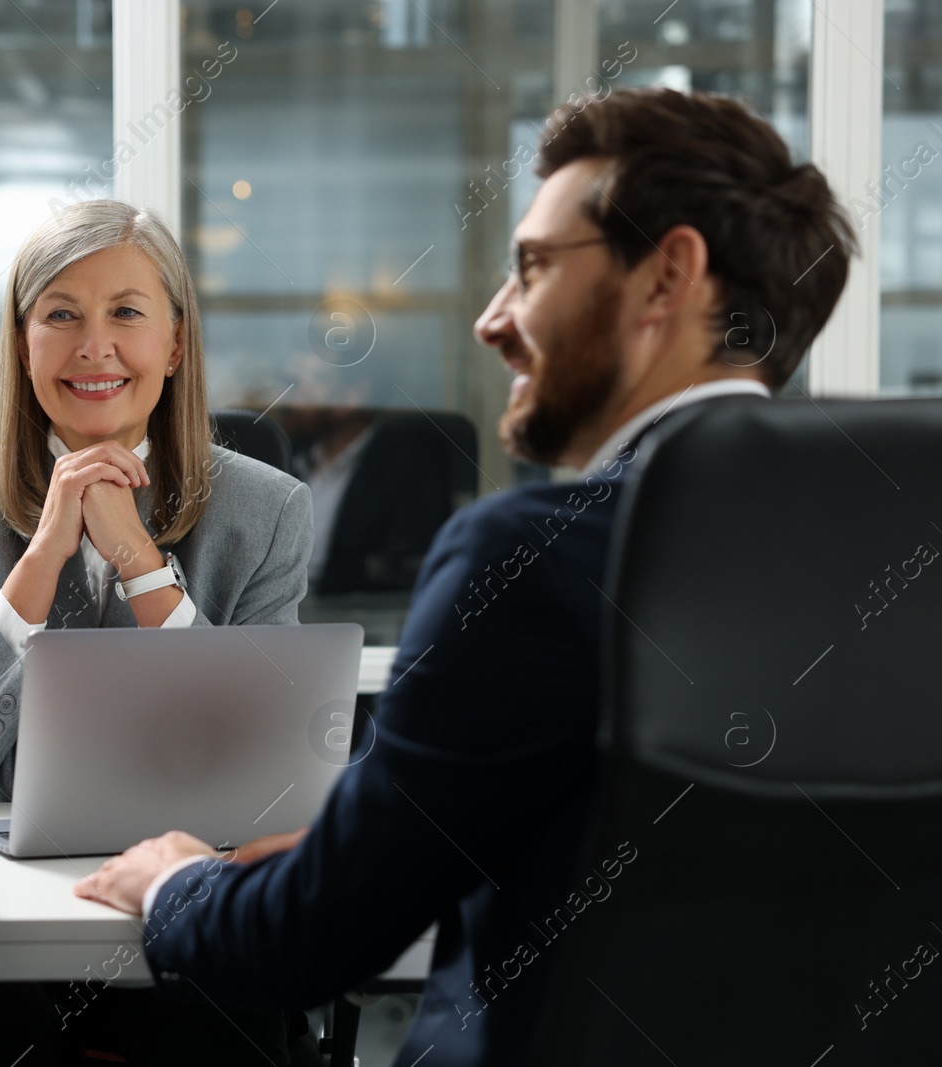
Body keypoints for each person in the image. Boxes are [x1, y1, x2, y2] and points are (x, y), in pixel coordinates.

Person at [74, 87, 857, 1067]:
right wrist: (362, 836)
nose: (492, 319)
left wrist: (173, 879)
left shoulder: (535, 556)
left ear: (669, 277)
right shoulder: (891, 558)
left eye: (529, 267)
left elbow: (300, 944)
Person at [0, 199, 317, 1064]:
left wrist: (141, 562)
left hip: (181, 905)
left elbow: (262, 777)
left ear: (176, 344)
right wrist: (37, 566)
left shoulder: (266, 511)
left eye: (126, 312)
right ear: (20, 341)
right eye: (61, 315)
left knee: (217, 1026)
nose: (94, 347)